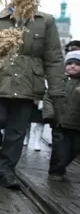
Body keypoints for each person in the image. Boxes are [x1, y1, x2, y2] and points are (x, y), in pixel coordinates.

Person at [0, 0, 66, 189]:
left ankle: (7, 171)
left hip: (28, 86)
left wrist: (57, 92)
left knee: (17, 132)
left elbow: (54, 58)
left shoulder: (45, 21)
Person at [49, 50, 80, 180]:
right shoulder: (59, 81)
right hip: (60, 123)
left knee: (75, 149)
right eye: (70, 63)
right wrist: (50, 114)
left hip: (77, 125)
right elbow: (48, 98)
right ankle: (56, 172)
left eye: (77, 64)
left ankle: (62, 165)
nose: (72, 66)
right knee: (60, 150)